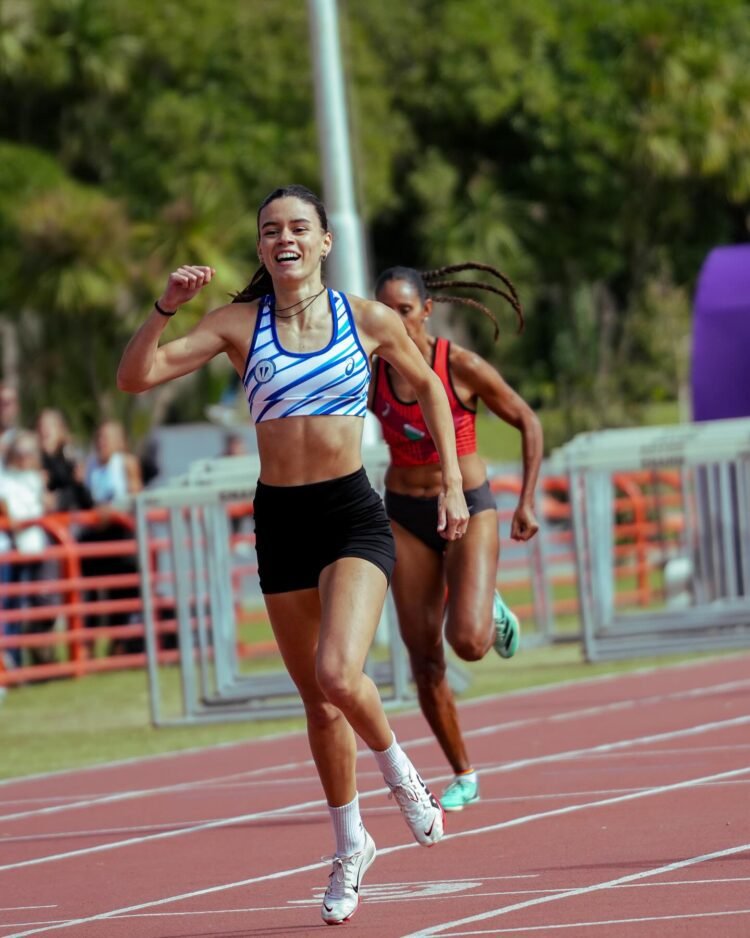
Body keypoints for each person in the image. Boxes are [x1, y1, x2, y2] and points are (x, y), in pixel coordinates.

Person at [116, 184, 470, 926]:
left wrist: (454, 487)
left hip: (349, 512)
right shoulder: (237, 324)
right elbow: (136, 377)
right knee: (316, 701)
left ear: (324, 242)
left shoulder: (366, 319)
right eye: (271, 228)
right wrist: (165, 307)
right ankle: (351, 845)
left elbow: (433, 389)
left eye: (299, 227)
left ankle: (401, 774)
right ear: (260, 248)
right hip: (280, 519)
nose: (286, 237)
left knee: (339, 673)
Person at [371, 263, 543, 813]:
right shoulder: (371, 372)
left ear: (425, 310)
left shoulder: (458, 365)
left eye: (402, 308)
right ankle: (463, 772)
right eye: (383, 308)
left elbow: (527, 420)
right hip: (405, 513)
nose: (391, 318)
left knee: (467, 641)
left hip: (468, 504)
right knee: (423, 657)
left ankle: (485, 605)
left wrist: (527, 499)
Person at [0, 431, 57, 668]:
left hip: (31, 548)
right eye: (20, 453)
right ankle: (10, 659)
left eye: (28, 453)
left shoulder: (34, 478)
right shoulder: (5, 478)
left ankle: (18, 660)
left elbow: (47, 506)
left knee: (32, 605)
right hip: (9, 549)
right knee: (8, 607)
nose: (24, 458)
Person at [37, 408, 93, 512]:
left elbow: (84, 498)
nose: (44, 430)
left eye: (50, 425)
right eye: (41, 425)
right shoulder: (32, 460)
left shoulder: (71, 457)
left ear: (61, 429)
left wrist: (59, 498)